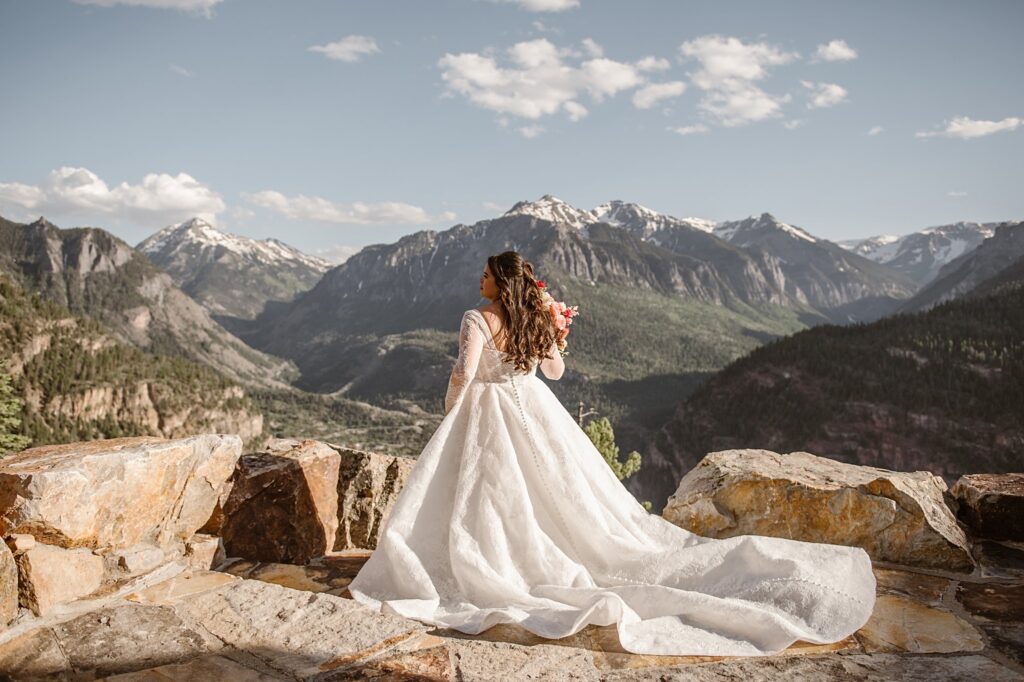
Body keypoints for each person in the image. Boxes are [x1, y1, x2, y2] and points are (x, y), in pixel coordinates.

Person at [348, 250, 877, 656]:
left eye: (485, 275)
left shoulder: (476, 318)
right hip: (534, 409)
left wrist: (451, 413)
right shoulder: (535, 318)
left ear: (499, 282)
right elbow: (553, 373)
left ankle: (492, 560)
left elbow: (464, 372)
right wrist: (550, 331)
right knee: (558, 493)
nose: (478, 281)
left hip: (486, 411)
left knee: (487, 496)